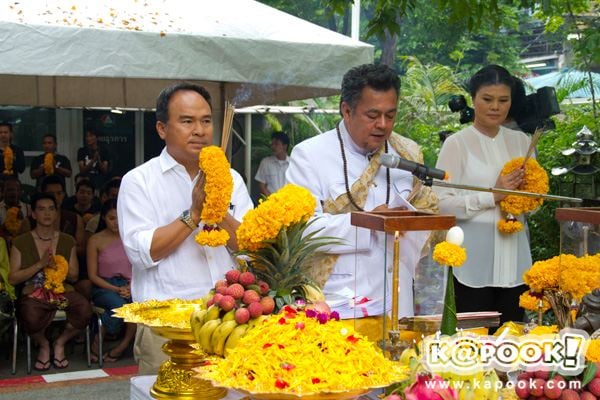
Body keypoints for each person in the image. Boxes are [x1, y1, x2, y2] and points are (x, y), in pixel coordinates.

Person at [286, 64, 438, 341]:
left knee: (398, 380)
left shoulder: (409, 153)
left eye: (390, 115)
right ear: (346, 110)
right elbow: (302, 231)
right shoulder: (310, 155)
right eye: (373, 115)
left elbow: (427, 217)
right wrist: (369, 223)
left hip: (399, 299)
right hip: (341, 302)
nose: (383, 125)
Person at [118, 82, 253, 374]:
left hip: (225, 321)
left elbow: (250, 247)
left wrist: (218, 208)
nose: (200, 130)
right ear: (162, 129)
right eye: (187, 121)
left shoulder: (232, 179)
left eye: (206, 121)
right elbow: (142, 252)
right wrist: (193, 213)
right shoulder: (139, 181)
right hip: (166, 326)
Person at [434, 65, 531, 325]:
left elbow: (534, 202)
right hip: (472, 263)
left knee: (511, 342)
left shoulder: (522, 141)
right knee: (471, 345)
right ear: (473, 99)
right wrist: (492, 196)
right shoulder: (457, 143)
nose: (495, 107)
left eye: (503, 100)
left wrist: (529, 200)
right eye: (487, 99)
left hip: (515, 262)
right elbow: (440, 204)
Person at [8, 193, 92, 371]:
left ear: (56, 213)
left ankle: (60, 343)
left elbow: (75, 276)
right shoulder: (20, 241)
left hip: (62, 290)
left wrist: (58, 266)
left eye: (51, 209)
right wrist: (40, 265)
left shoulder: (67, 240)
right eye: (41, 209)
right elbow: (13, 278)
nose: (47, 214)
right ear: (33, 213)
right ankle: (44, 345)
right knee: (29, 314)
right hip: (33, 292)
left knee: (85, 309)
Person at [87, 199, 135, 363]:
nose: (116, 223)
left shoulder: (132, 237)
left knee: (137, 307)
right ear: (103, 219)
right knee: (120, 305)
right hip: (105, 286)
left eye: (119, 217)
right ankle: (98, 340)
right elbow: (92, 275)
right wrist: (116, 289)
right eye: (111, 218)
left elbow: (140, 266)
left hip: (131, 284)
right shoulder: (95, 240)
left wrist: (130, 286)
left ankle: (122, 346)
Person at [39, 175, 89, 299]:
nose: (55, 197)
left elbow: (82, 249)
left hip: (69, 270)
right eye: (51, 193)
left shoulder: (74, 219)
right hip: (38, 271)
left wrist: (59, 255)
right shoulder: (31, 220)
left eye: (59, 193)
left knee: (86, 285)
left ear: (64, 195)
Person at [254, 131, 290, 197]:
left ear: (285, 146)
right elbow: (261, 184)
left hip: (289, 202)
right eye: (272, 144)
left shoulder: (292, 163)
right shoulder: (266, 162)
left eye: (276, 144)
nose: (273, 147)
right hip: (271, 202)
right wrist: (271, 199)